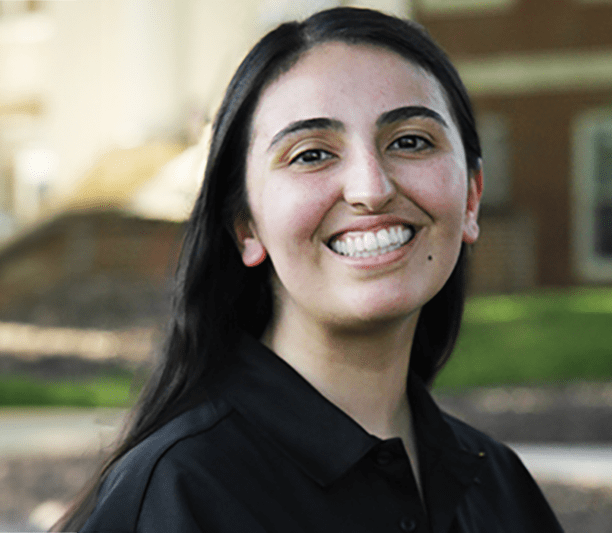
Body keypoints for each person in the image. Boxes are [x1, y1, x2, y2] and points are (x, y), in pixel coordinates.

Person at [55, 7, 564, 533]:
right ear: (245, 227)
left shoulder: (500, 487)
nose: (372, 188)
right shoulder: (180, 495)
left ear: (472, 198)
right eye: (311, 154)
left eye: (410, 141)